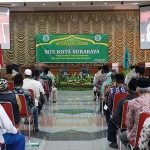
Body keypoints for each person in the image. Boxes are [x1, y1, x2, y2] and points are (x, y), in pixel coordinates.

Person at [107, 78, 138, 149]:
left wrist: (119, 123)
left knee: (111, 121)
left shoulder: (122, 101)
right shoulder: (142, 100)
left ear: (128, 89)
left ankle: (114, 142)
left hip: (123, 123)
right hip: (138, 124)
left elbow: (116, 116)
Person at [120, 78, 150, 147]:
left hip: (137, 134)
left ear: (137, 90)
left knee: (122, 136)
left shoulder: (132, 103)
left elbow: (129, 123)